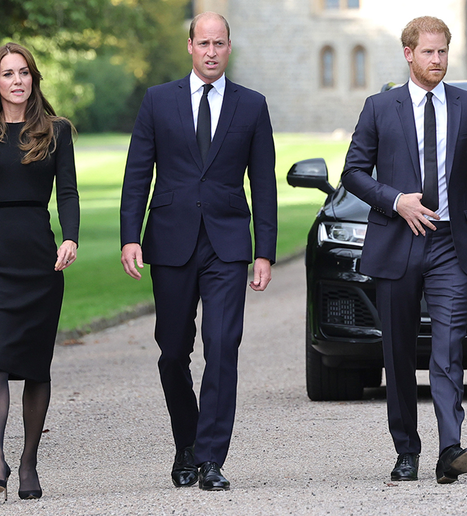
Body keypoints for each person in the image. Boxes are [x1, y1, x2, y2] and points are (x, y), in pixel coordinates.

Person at [119, 11, 277, 491]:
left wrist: (264, 250)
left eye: (219, 43)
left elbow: (265, 183)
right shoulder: (157, 101)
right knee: (172, 352)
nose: (211, 51)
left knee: (223, 346)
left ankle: (210, 458)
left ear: (230, 48)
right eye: (203, 43)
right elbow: (137, 174)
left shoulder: (251, 105)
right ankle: (185, 443)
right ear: (190, 46)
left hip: (227, 243)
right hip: (169, 240)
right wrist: (130, 236)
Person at [341, 16, 467, 484]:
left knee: (449, 349)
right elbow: (352, 171)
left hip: (452, 243)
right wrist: (395, 200)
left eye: (443, 51)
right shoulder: (378, 107)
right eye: (429, 52)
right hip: (399, 241)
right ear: (408, 54)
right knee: (398, 352)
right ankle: (406, 450)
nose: (438, 60)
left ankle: (450, 448)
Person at [0, 42, 79, 500]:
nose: (17, 80)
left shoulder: (56, 131)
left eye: (24, 72)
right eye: (7, 74)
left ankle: (28, 464)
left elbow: (68, 193)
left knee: (37, 368)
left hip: (40, 264)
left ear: (34, 78)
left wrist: (70, 237)